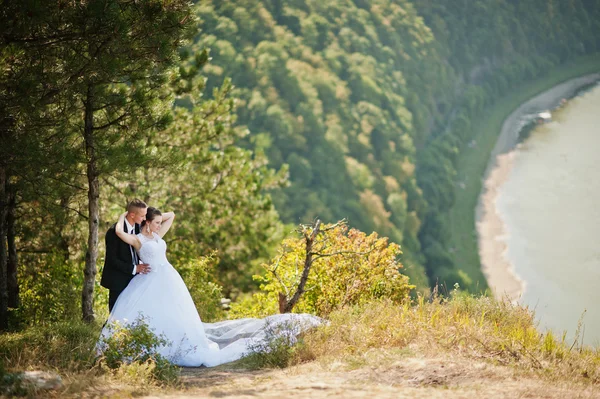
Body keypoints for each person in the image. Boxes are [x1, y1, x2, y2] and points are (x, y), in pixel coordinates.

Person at [99, 206, 320, 367]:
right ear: (146, 223)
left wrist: (153, 215)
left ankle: (175, 342)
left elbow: (172, 215)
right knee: (152, 312)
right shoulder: (138, 239)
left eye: (158, 223)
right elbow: (119, 232)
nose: (159, 225)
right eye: (155, 222)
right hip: (148, 279)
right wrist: (123, 215)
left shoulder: (157, 235)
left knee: (176, 312)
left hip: (168, 278)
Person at [100, 199, 151, 312]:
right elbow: (112, 260)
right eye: (142, 216)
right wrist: (135, 268)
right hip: (118, 279)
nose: (144, 219)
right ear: (132, 215)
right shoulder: (114, 231)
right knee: (116, 314)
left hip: (136, 279)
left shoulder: (139, 228)